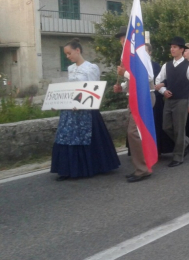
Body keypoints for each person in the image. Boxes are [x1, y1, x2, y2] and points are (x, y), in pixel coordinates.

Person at [51, 38, 120, 181]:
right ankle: (67, 169)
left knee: (86, 136)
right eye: (66, 54)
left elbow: (93, 89)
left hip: (86, 109)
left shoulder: (91, 68)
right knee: (66, 136)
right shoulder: (71, 68)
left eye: (69, 53)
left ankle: (92, 166)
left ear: (78, 50)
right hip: (70, 109)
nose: (68, 56)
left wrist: (83, 104)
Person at [113, 26, 156, 183]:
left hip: (143, 98)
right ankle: (144, 167)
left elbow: (148, 76)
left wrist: (123, 73)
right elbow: (132, 80)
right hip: (134, 98)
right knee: (138, 133)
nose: (121, 42)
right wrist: (122, 87)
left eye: (123, 38)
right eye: (120, 40)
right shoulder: (128, 56)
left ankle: (142, 169)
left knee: (134, 133)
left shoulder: (141, 52)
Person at [155, 37, 189, 167]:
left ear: (181, 50)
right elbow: (157, 81)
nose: (172, 49)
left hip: (182, 100)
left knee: (179, 129)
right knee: (166, 127)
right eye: (171, 47)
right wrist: (163, 91)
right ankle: (186, 142)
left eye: (175, 47)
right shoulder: (166, 65)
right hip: (169, 100)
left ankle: (178, 156)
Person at [146, 43, 174, 156]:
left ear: (150, 52)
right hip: (142, 100)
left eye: (145, 51)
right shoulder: (135, 66)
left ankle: (156, 149)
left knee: (156, 125)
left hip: (154, 99)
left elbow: (158, 82)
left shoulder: (155, 66)